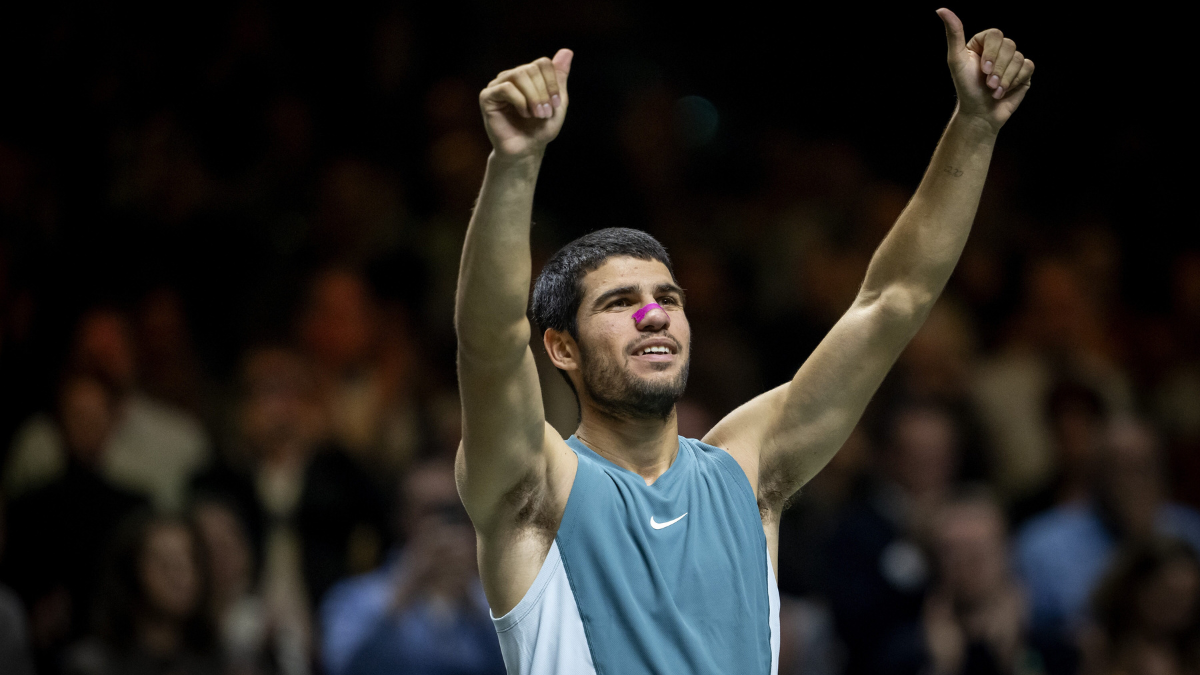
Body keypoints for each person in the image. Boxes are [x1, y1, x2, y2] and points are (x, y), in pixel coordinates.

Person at [453, 9, 1035, 674]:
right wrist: (515, 163)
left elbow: (891, 302)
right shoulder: (535, 487)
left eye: (668, 298)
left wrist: (975, 127)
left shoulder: (746, 470)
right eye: (620, 302)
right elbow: (490, 345)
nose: (654, 315)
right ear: (561, 347)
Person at [1015, 418, 1200, 660]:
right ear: (1095, 475)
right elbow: (1026, 638)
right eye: (1120, 469)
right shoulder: (1041, 546)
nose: (1134, 483)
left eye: (1144, 467)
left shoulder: (1190, 532)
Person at [1, 372, 149, 668]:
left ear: (113, 422)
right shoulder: (27, 508)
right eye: (77, 416)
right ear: (58, 423)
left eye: (95, 416)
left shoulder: (136, 508)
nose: (86, 426)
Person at [320, 460, 505, 675]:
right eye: (429, 511)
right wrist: (406, 588)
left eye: (451, 510)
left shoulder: (491, 601)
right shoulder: (355, 597)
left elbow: (521, 665)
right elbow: (343, 666)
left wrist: (473, 607)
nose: (441, 523)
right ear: (402, 518)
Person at [63, 514, 220, 675]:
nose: (180, 575)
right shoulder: (93, 664)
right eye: (163, 562)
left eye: (190, 559)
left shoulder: (214, 657)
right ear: (130, 572)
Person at [1082, 537, 1200, 675]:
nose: (1178, 606)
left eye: (1187, 596)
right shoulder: (1096, 644)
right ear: (1136, 585)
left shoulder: (1193, 653)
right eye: (1167, 593)